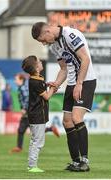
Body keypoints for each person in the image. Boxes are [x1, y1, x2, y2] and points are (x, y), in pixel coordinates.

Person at [31, 22, 96, 172]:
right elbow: (64, 69)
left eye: (42, 39)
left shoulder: (70, 35)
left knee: (76, 117)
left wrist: (79, 84)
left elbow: (85, 59)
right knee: (67, 121)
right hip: (72, 82)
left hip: (86, 80)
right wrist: (54, 87)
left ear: (47, 31)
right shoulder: (54, 46)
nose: (44, 43)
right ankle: (76, 162)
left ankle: (85, 161)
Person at [11, 73, 60, 153]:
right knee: (34, 130)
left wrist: (24, 109)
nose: (15, 81)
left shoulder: (23, 88)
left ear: (21, 79)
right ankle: (50, 129)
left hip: (28, 112)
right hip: (29, 112)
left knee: (22, 130)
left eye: (16, 79)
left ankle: (19, 147)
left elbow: (27, 99)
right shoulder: (22, 87)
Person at [22, 55, 54, 173]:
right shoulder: (36, 81)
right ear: (36, 68)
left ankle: (31, 165)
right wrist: (53, 89)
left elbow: (41, 89)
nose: (41, 63)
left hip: (35, 114)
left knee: (34, 140)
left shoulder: (36, 79)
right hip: (37, 115)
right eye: (39, 62)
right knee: (38, 142)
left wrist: (47, 85)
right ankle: (32, 166)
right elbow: (47, 96)